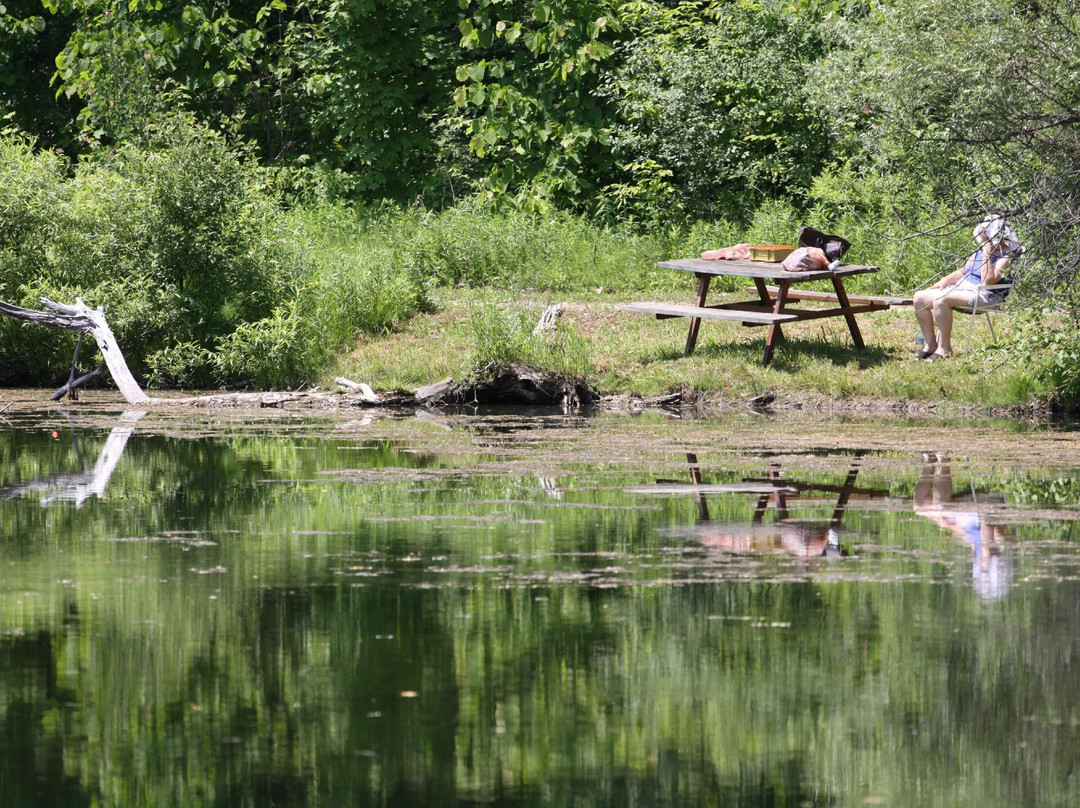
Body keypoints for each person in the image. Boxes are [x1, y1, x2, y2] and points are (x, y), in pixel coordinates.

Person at [912, 215, 1022, 360]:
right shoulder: (980, 250)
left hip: (986, 295)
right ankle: (930, 344)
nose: (983, 236)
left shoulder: (1008, 255)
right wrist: (943, 281)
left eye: (986, 233)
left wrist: (987, 255)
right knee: (919, 298)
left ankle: (944, 348)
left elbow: (988, 280)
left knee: (941, 299)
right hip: (963, 289)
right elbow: (963, 271)